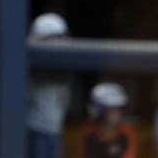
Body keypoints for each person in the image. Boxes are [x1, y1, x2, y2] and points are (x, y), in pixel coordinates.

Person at [27, 12, 71, 158]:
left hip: (56, 131)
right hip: (36, 131)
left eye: (59, 39)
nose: (57, 44)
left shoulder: (65, 65)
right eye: (51, 40)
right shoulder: (33, 66)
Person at [78, 82, 137, 158]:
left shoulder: (127, 133)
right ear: (100, 112)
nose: (118, 114)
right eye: (112, 109)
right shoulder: (89, 134)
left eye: (120, 109)